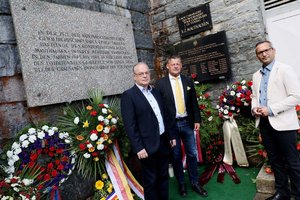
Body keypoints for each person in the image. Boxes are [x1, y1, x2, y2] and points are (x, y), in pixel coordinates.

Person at [251, 40, 300, 200]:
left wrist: (271, 109)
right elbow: (254, 96)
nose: (264, 54)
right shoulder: (256, 75)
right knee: (275, 160)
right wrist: (254, 108)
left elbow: (296, 96)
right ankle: (282, 193)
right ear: (257, 56)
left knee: (292, 163)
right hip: (265, 124)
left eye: (267, 50)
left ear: (273, 50)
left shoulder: (284, 70)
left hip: (284, 124)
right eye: (260, 52)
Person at [121, 62, 175, 200]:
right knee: (150, 181)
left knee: (163, 176)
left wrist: (171, 135)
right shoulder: (129, 96)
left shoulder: (156, 92)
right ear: (134, 77)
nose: (145, 76)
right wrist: (138, 147)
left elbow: (165, 115)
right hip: (146, 147)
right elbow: (130, 125)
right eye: (141, 74)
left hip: (163, 141)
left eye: (146, 73)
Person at [155, 55, 208, 198]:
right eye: (173, 64)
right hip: (171, 126)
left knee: (192, 153)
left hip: (187, 123)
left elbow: (193, 103)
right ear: (167, 66)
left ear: (181, 65)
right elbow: (160, 109)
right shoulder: (160, 84)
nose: (176, 66)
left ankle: (195, 182)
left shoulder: (187, 80)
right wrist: (166, 129)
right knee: (176, 155)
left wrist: (197, 119)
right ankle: (181, 184)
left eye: (178, 64)